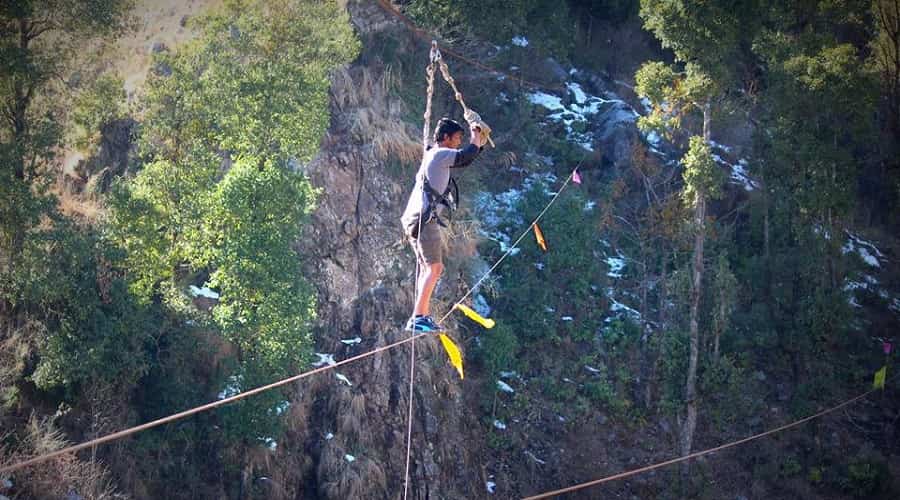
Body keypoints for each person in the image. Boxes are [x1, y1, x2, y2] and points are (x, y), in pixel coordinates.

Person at [401, 118, 485, 332]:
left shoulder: (434, 154)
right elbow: (465, 157)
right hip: (424, 218)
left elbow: (467, 156)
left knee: (427, 268)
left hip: (415, 218)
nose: (458, 142)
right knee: (435, 268)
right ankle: (418, 316)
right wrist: (476, 137)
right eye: (456, 138)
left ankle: (419, 314)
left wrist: (479, 142)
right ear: (445, 137)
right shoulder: (439, 154)